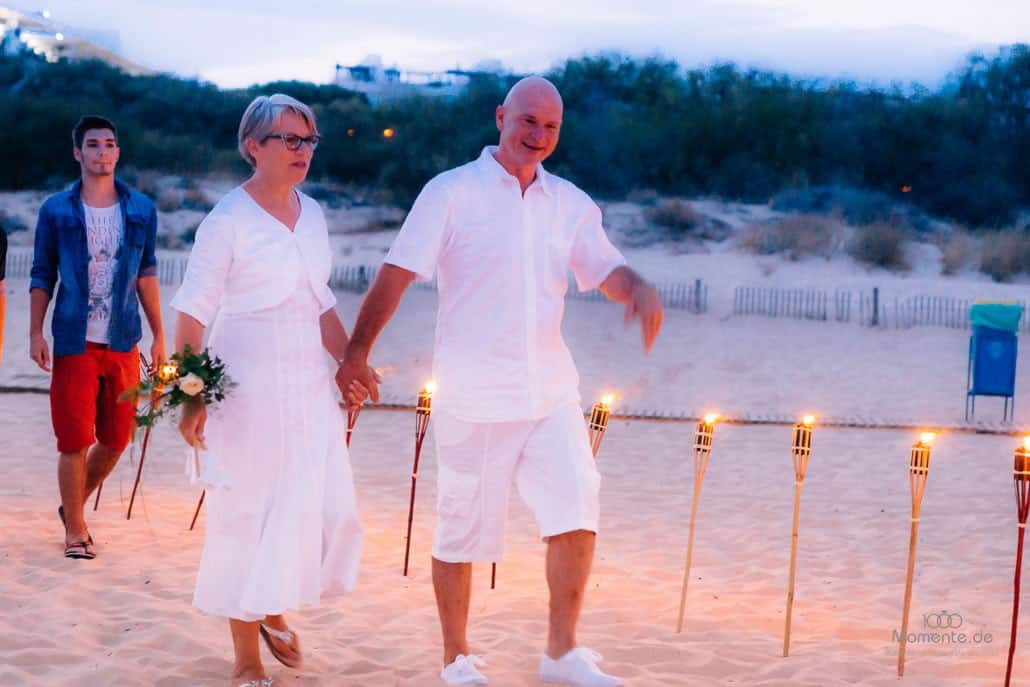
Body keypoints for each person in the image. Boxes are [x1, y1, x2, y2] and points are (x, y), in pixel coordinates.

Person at [338, 76, 664, 687]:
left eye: (551, 127)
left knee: (576, 505)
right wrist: (356, 353)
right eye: (528, 121)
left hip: (549, 390)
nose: (538, 136)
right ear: (500, 117)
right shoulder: (450, 193)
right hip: (473, 393)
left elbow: (605, 267)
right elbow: (397, 274)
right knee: (460, 526)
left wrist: (638, 287)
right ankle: (456, 659)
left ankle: (562, 654)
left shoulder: (569, 201)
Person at [171, 94, 369, 687]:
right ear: (253, 146)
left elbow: (321, 300)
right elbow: (191, 316)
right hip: (246, 383)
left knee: (305, 503)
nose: (302, 151)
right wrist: (191, 396)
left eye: (309, 141)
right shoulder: (226, 222)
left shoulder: (314, 214)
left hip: (306, 384)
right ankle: (246, 657)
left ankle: (272, 607)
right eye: (289, 139)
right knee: (246, 510)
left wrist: (349, 361)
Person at [29, 115, 166, 560]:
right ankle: (76, 530)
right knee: (73, 439)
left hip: (123, 339)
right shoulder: (56, 210)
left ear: (118, 152)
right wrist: (35, 331)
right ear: (78, 153)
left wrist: (160, 333)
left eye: (109, 144)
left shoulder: (142, 209)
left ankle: (71, 508)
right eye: (92, 145)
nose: (102, 152)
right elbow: (42, 274)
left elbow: (146, 274)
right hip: (73, 339)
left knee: (118, 438)